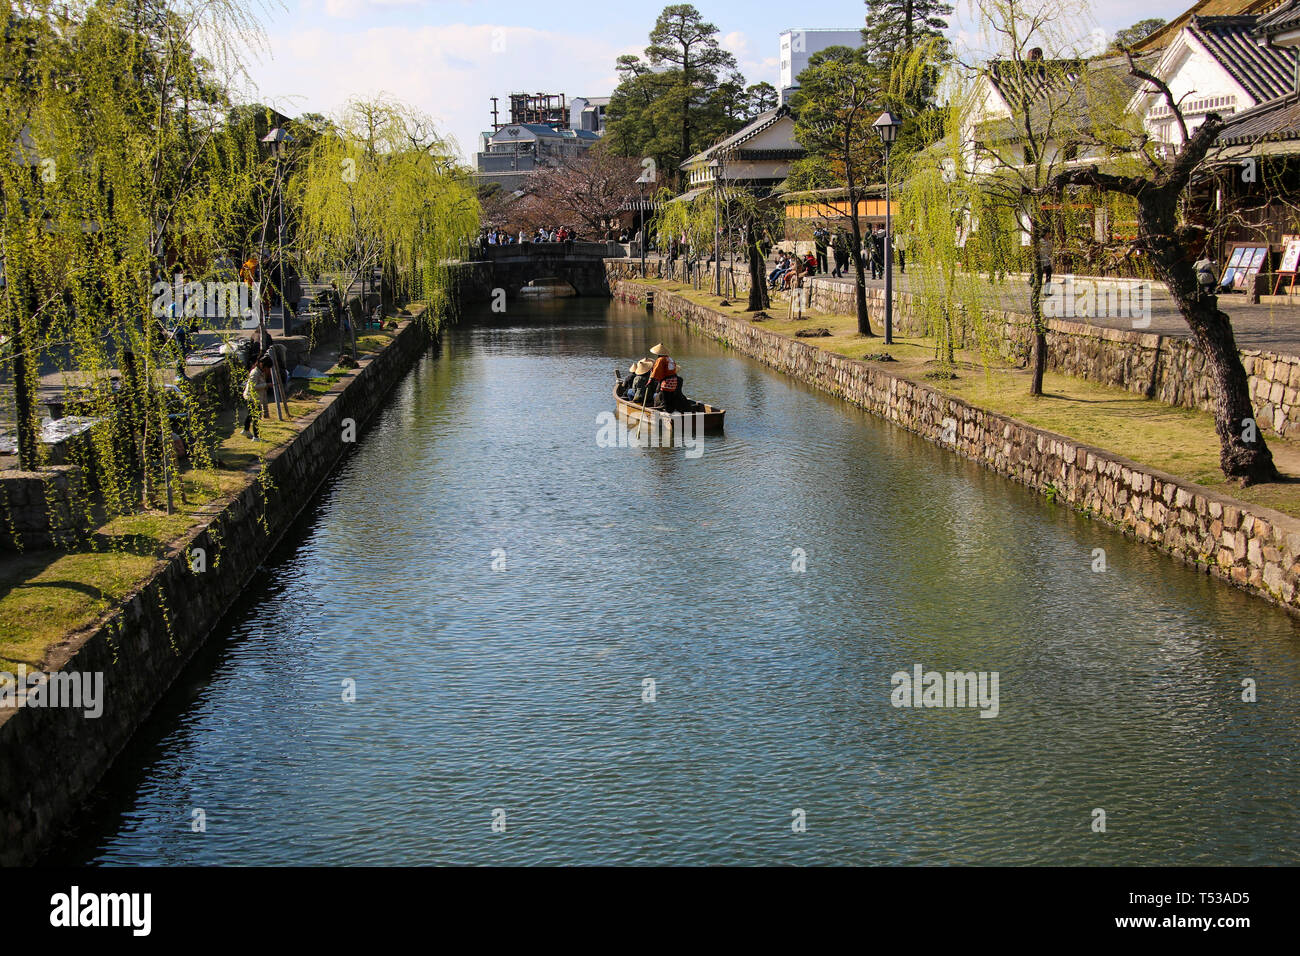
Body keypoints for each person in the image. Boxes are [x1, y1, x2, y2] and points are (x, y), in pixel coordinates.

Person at [242, 358, 270, 440]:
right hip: (251, 397)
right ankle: (256, 437)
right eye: (268, 368)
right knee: (256, 416)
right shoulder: (255, 373)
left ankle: (246, 430)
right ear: (263, 365)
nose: (268, 370)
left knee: (251, 415)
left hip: (254, 397)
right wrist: (266, 385)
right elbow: (253, 387)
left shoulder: (261, 372)